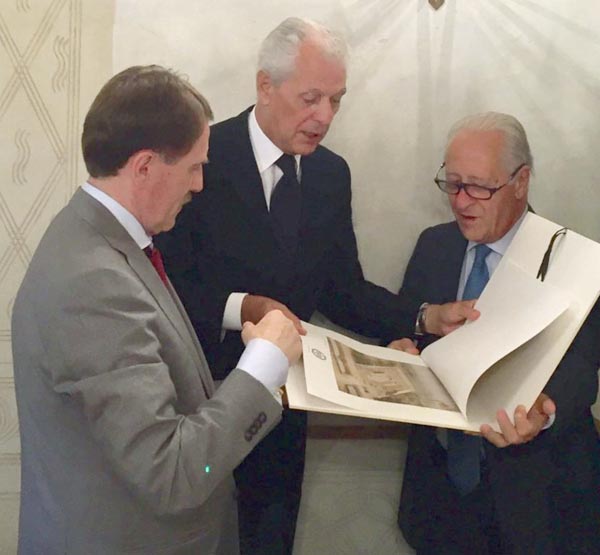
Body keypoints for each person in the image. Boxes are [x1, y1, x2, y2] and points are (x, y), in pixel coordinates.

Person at [156, 16, 476, 555]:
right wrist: (243, 308)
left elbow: (341, 290)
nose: (325, 116)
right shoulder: (201, 156)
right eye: (311, 99)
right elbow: (163, 287)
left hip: (282, 417)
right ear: (265, 85)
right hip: (196, 407)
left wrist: (423, 317)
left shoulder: (331, 174)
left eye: (336, 100)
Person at [11, 65, 303, 555]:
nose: (200, 185)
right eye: (194, 167)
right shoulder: (94, 283)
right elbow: (171, 474)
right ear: (144, 166)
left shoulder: (101, 238)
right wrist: (264, 364)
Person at [388, 111, 600, 554]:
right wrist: (400, 352)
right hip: (439, 493)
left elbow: (582, 371)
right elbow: (407, 331)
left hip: (536, 497)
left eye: (479, 187)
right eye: (453, 184)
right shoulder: (434, 245)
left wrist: (544, 412)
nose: (461, 201)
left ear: (521, 182)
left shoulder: (571, 260)